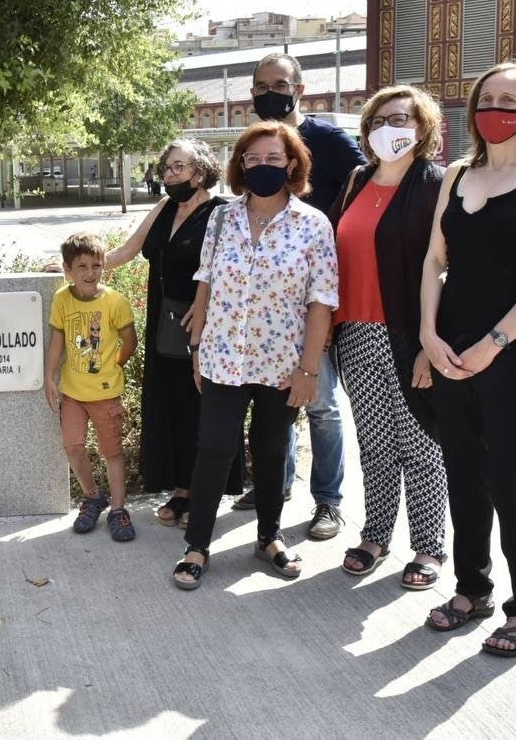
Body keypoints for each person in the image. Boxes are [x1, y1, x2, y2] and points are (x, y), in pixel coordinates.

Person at [419, 61, 516, 657]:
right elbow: (436, 260)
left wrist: (494, 344)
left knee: (514, 485)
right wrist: (431, 334)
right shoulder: (457, 173)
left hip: (515, 356)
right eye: (487, 98)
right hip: (453, 350)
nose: (495, 109)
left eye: (509, 100)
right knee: (463, 478)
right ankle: (471, 589)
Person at [174, 121, 338, 589]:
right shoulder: (222, 218)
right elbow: (205, 280)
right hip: (224, 356)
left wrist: (309, 370)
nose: (262, 166)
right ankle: (197, 545)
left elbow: (321, 302)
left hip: (283, 364)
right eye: (252, 159)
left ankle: (268, 537)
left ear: (291, 164)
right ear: (240, 167)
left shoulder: (313, 225)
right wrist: (196, 347)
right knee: (214, 448)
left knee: (270, 450)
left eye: (272, 159)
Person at [326, 85, 448, 589]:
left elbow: (445, 267)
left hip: (409, 334)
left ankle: (428, 546)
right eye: (378, 120)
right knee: (375, 441)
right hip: (355, 331)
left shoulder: (436, 184)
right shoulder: (357, 179)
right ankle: (376, 534)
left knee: (420, 442)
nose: (388, 128)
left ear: (422, 128)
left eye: (400, 118)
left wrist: (430, 341)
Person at [241, 52, 364, 543]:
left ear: (299, 86)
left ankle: (328, 502)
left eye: (280, 83)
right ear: (252, 94)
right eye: (262, 85)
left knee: (321, 402)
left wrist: (329, 228)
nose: (270, 92)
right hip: (269, 302)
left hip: (318, 295)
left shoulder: (328, 139)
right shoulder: (255, 143)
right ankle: (278, 484)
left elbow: (364, 182)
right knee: (274, 401)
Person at [104, 140, 229, 528]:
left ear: (201, 168)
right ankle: (181, 491)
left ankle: (201, 492)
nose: (172, 174)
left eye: (179, 166)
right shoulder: (164, 207)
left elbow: (235, 270)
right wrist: (76, 267)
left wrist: (207, 306)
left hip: (201, 324)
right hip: (163, 322)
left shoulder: (223, 213)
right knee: (171, 406)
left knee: (200, 407)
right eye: (167, 168)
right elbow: (127, 251)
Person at [44, 232, 138, 541]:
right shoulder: (62, 299)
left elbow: (129, 340)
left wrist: (116, 365)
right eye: (81, 267)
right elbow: (57, 340)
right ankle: (93, 496)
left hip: (106, 394)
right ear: (67, 270)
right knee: (73, 448)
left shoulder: (115, 301)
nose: (89, 273)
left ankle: (119, 509)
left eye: (96, 265)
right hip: (73, 393)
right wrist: (49, 377)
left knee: (112, 453)